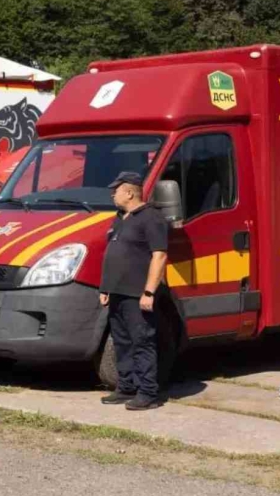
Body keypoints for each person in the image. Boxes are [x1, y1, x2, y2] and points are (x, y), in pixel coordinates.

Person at [98, 171, 169, 411]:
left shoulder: (151, 218)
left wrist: (149, 292)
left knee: (142, 342)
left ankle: (148, 392)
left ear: (129, 192)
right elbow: (113, 255)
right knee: (122, 342)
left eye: (115, 190)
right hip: (117, 293)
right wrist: (105, 288)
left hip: (137, 294)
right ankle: (126, 386)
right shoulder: (120, 218)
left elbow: (159, 256)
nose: (112, 194)